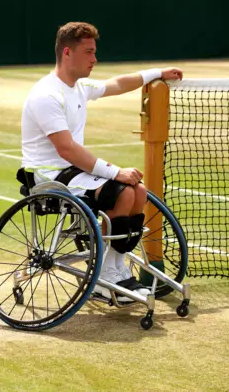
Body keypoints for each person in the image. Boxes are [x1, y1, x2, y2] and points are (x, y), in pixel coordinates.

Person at [21, 21, 183, 302]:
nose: (95, 59)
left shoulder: (79, 87)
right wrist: (115, 171)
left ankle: (115, 269)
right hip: (47, 176)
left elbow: (118, 84)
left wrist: (157, 73)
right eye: (89, 52)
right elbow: (67, 149)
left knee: (139, 191)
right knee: (121, 192)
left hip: (72, 171)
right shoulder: (46, 95)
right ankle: (103, 276)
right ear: (68, 53)